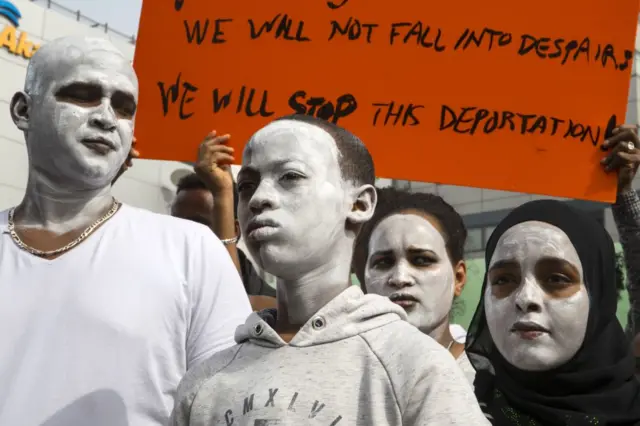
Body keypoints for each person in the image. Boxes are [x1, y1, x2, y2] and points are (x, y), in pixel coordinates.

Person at [171, 114, 488, 425]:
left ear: (359, 204)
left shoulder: (416, 367)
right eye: (247, 185)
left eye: (290, 177)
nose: (258, 198)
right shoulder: (204, 383)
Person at [0, 36, 252, 426]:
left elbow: (234, 406)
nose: (106, 117)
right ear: (23, 110)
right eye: (83, 95)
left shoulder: (192, 250)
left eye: (123, 107)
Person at [466, 199, 640, 425]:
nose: (526, 298)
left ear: (598, 297)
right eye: (504, 279)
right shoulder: (452, 410)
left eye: (556, 279)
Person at [353, 188, 475, 383]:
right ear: (363, 280)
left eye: (421, 260)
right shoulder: (343, 375)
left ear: (458, 278)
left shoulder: (491, 382)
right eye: (383, 262)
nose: (400, 278)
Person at [171, 171, 276, 299]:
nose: (182, 233)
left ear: (234, 231)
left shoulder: (273, 312)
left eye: (198, 224)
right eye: (175, 222)